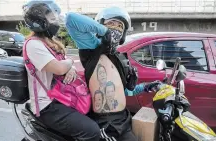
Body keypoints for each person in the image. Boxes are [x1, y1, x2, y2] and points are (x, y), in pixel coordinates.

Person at [65, 6, 160, 141]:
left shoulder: (119, 58)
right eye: (111, 23)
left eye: (120, 26)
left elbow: (126, 92)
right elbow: (70, 19)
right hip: (105, 124)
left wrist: (145, 87)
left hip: (123, 120)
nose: (115, 28)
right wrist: (105, 32)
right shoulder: (91, 47)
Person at [22, 0, 100, 141]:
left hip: (61, 97)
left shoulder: (50, 43)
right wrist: (69, 64)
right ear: (40, 22)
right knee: (91, 131)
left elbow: (68, 64)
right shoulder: (33, 44)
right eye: (52, 19)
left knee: (97, 114)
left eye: (56, 18)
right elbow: (60, 68)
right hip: (47, 105)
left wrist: (70, 66)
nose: (56, 22)